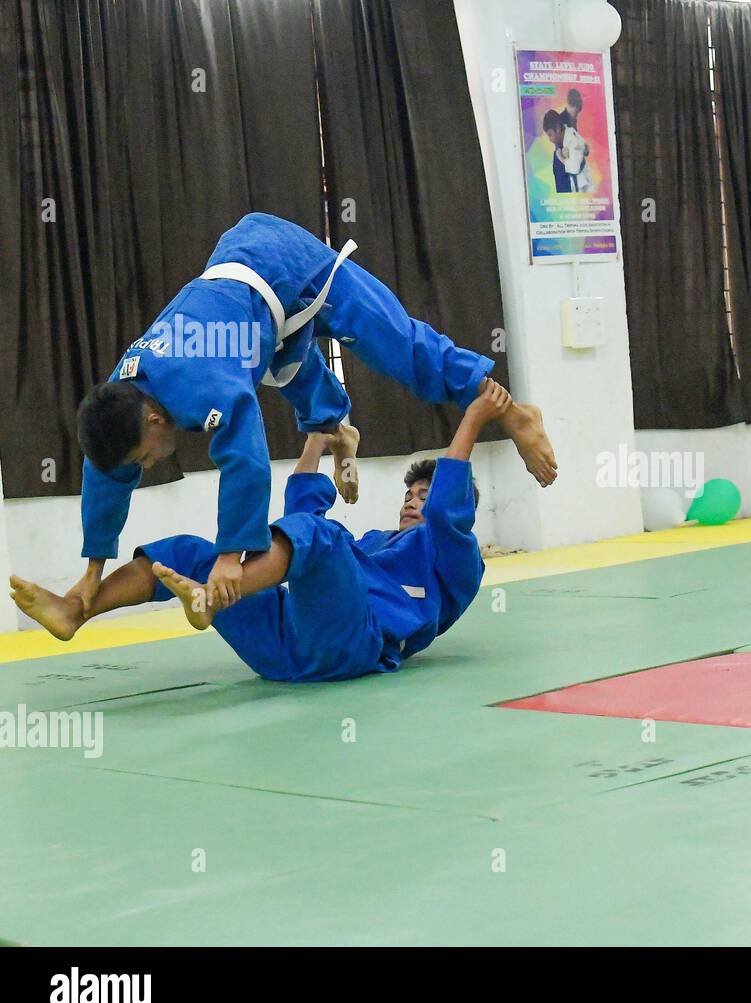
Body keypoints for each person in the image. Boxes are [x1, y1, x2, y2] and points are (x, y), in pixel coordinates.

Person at [70, 213, 556, 619]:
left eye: (144, 457)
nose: (147, 465)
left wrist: (229, 556)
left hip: (286, 260)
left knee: (396, 344)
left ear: (154, 421)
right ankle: (339, 432)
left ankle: (514, 412)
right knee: (288, 370)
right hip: (254, 313)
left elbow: (246, 464)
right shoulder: (122, 391)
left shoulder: (209, 385)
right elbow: (105, 471)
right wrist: (93, 568)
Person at [11, 381, 512, 681]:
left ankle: (212, 596)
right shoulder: (375, 545)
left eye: (423, 496)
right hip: (283, 647)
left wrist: (473, 418)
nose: (412, 501)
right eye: (410, 494)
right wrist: (317, 440)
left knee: (322, 539)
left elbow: (446, 513)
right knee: (190, 553)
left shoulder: (456, 561)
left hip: (350, 647)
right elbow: (304, 512)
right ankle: (77, 610)